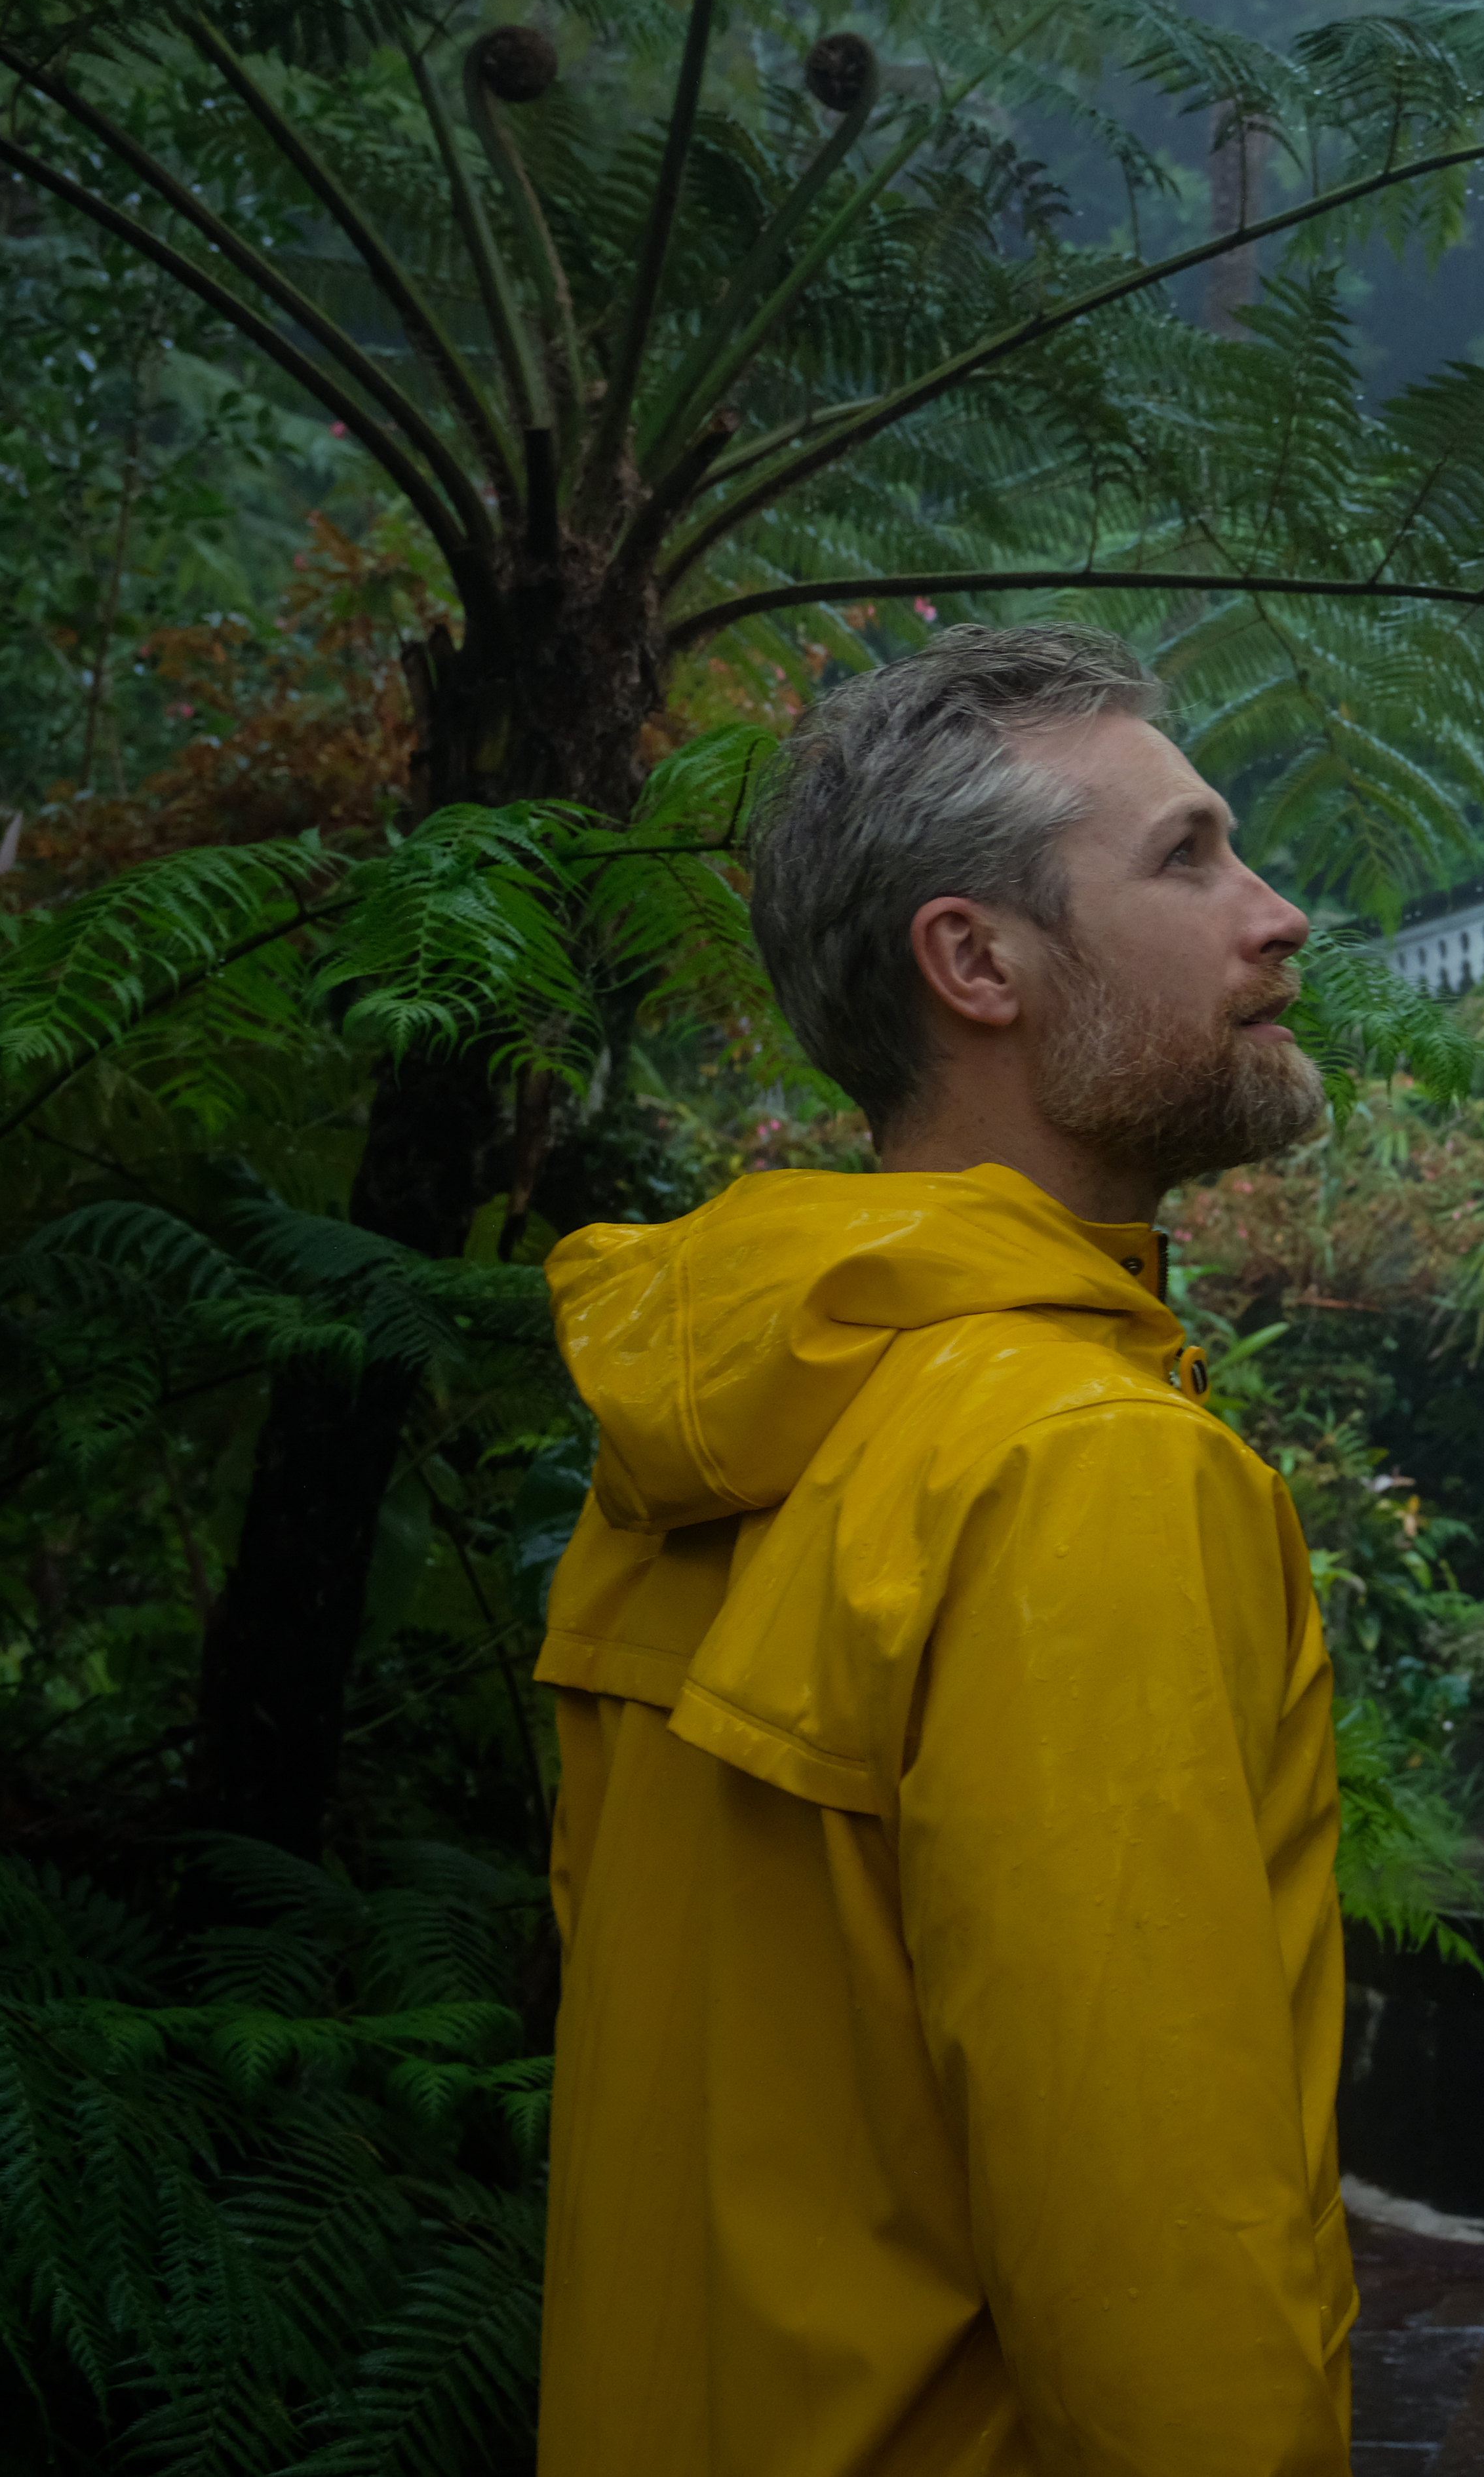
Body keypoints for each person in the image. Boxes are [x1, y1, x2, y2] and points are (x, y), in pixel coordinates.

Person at [532, 624, 1352, 2476]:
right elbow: (1157, 2250)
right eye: (1187, 856)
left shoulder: (707, 1425)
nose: (1276, 912)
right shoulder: (1081, 1468)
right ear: (975, 961)